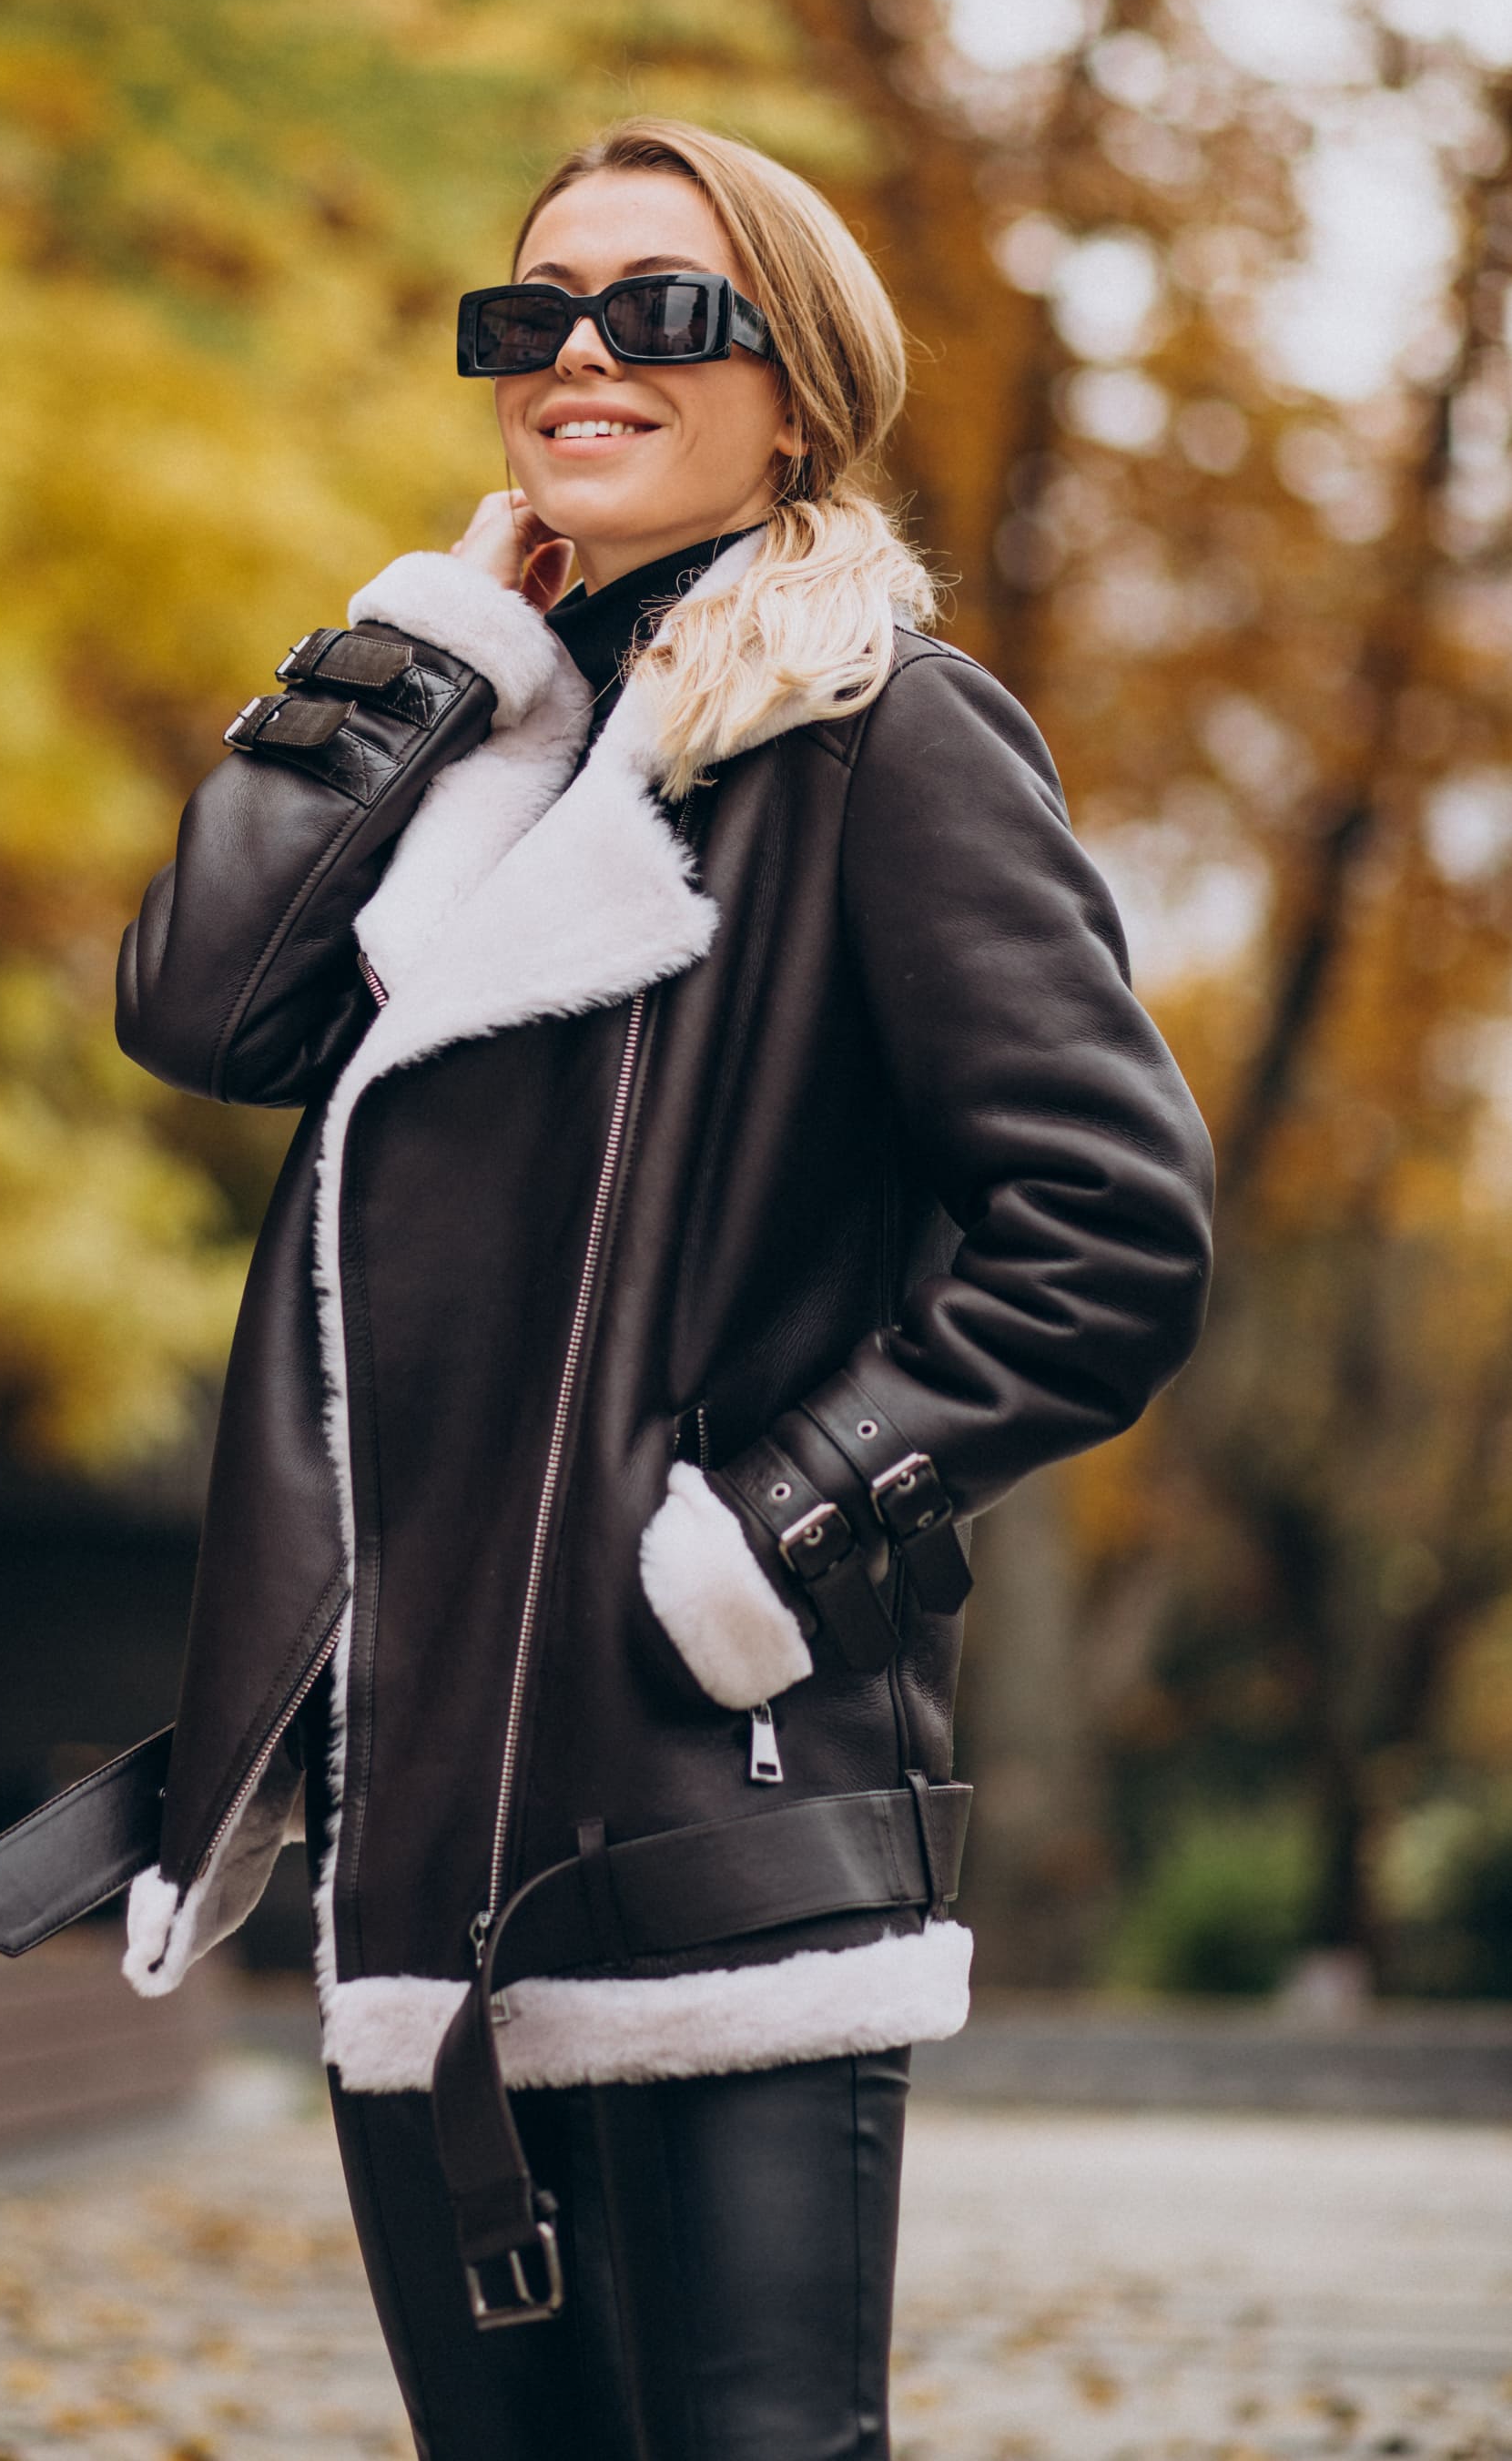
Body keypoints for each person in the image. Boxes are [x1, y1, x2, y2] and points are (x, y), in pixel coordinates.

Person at [115, 118, 1213, 2460]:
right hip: (435, 1847)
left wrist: (756, 1539)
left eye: (663, 308)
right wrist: (427, 649)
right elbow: (199, 1008)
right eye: (532, 315)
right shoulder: (475, 763)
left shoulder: (886, 737)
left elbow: (1111, 1229)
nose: (582, 350)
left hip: (714, 1810)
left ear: (794, 390)